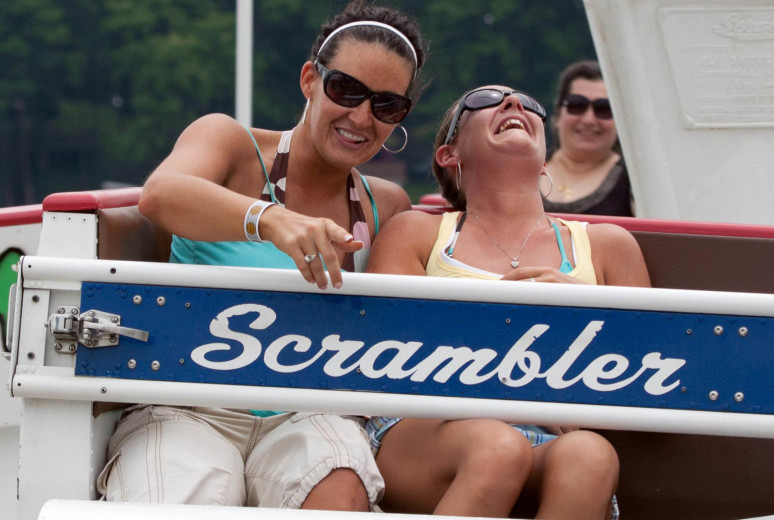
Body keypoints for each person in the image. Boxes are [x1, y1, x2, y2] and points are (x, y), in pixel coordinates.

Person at [96, 1, 427, 511]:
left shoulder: (386, 204)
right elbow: (160, 195)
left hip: (309, 414)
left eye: (387, 106)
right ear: (309, 80)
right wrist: (270, 220)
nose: (361, 117)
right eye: (346, 89)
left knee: (340, 481)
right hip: (190, 407)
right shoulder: (230, 144)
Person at [364, 85, 650, 519]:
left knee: (591, 455)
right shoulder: (418, 234)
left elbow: (646, 375)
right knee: (497, 447)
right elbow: (388, 354)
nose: (514, 104)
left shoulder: (609, 246)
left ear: (545, 152)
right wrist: (528, 389)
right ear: (450, 154)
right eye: (485, 102)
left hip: (544, 439)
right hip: (430, 433)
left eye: (528, 103)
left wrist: (585, 306)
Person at [543, 60, 634, 216]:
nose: (589, 120)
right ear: (558, 115)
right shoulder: (523, 169)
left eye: (603, 109)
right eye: (577, 105)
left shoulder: (636, 183)